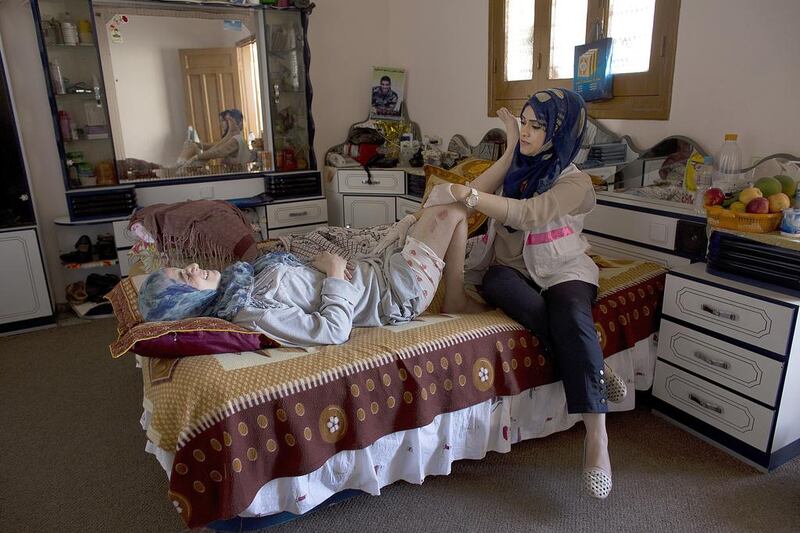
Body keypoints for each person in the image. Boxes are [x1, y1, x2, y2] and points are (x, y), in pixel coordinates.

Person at [423, 88, 622, 500]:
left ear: (560, 132)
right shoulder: (520, 166)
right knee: (497, 284)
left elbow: (527, 214)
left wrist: (472, 196)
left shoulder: (575, 182)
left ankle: (597, 439)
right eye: (524, 123)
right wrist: (511, 145)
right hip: (514, 269)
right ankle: (596, 368)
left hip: (563, 267)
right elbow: (475, 194)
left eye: (536, 126)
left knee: (570, 314)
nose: (528, 131)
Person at [138, 202, 487, 347]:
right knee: (451, 211)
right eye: (187, 277)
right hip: (394, 294)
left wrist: (321, 261)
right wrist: (334, 274)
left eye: (185, 267)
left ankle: (456, 293)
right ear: (188, 301)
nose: (195, 267)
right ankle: (455, 296)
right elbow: (332, 332)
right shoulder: (250, 311)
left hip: (378, 268)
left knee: (444, 205)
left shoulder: (238, 282)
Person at [180, 109, 253, 167]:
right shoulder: (233, 137)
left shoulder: (236, 139)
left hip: (238, 176)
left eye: (225, 120)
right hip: (233, 173)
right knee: (192, 148)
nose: (222, 124)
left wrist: (197, 157)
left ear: (239, 122)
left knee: (193, 159)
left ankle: (180, 164)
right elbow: (216, 146)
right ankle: (181, 163)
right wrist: (199, 145)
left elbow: (219, 151)